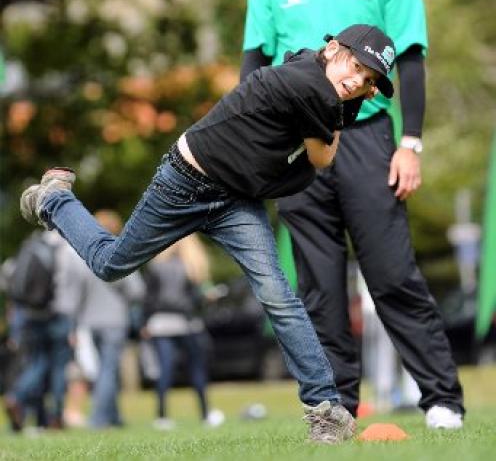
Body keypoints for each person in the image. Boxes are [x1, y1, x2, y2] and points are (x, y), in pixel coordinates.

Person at [19, 23, 396, 445]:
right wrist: (346, 110)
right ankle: (55, 199)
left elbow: (317, 125)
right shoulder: (313, 89)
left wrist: (343, 102)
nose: (356, 82)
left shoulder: (312, 68)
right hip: (183, 184)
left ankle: (328, 411)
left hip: (235, 200)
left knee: (278, 296)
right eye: (355, 66)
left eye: (367, 81)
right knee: (109, 265)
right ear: (332, 47)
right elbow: (322, 157)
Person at [240, 0, 464, 429]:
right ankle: (336, 406)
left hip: (368, 140)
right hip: (298, 148)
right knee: (319, 286)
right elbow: (253, 68)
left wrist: (409, 142)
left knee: (392, 274)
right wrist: (258, 151)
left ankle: (441, 400)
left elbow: (410, 62)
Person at [64, 210, 145, 429]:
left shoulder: (84, 255)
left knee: (104, 370)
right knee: (109, 370)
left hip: (89, 322)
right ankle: (99, 419)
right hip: (114, 321)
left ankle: (114, 417)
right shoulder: (119, 252)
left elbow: (74, 294)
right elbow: (137, 291)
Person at [142, 234, 223, 430]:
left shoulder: (156, 266)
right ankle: (205, 414)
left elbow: (148, 298)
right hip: (186, 323)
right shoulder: (192, 267)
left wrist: (145, 323)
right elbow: (194, 301)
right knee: (196, 369)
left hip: (160, 323)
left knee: (165, 370)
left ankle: (161, 417)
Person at [3, 230, 76, 431]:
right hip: (58, 315)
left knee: (37, 363)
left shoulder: (31, 245)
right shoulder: (65, 249)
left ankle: (16, 397)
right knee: (59, 368)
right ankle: (56, 417)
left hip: (32, 314)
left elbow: (8, 276)